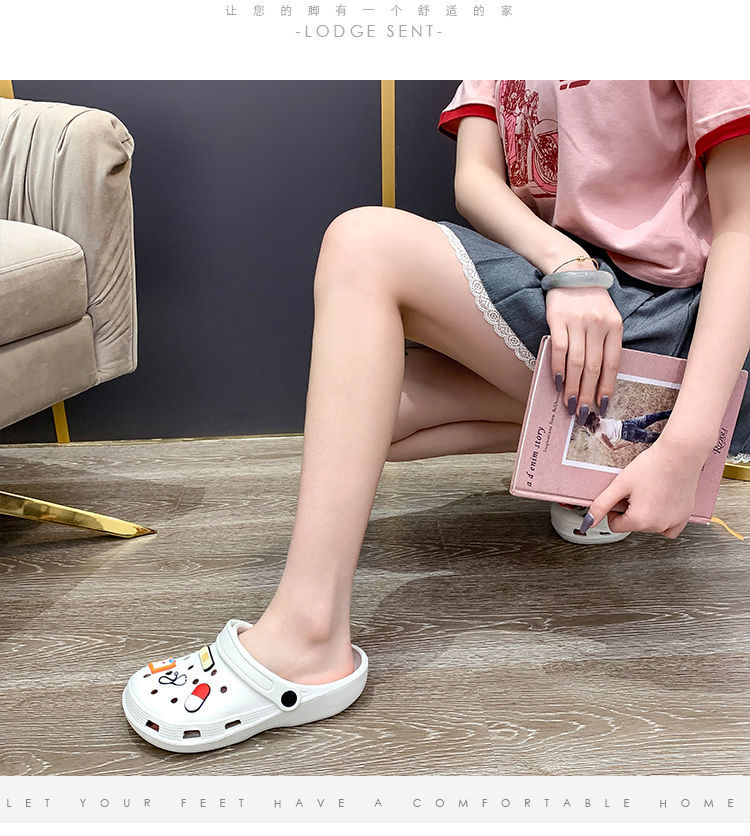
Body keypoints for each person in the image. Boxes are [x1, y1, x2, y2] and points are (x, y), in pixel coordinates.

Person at [122, 80, 750, 753]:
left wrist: (684, 448)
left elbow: (742, 227)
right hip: (576, 295)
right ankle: (601, 459)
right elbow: (476, 181)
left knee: (364, 244)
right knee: (373, 417)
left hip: (676, 323)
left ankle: (307, 636)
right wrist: (569, 266)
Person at [584, 409, 673, 449]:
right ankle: (675, 441)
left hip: (628, 423)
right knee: (655, 437)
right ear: (590, 424)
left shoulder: (598, 420)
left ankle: (676, 412)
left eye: (595, 416)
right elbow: (612, 447)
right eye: (594, 419)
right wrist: (629, 444)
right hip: (628, 434)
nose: (597, 418)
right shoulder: (599, 434)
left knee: (654, 416)